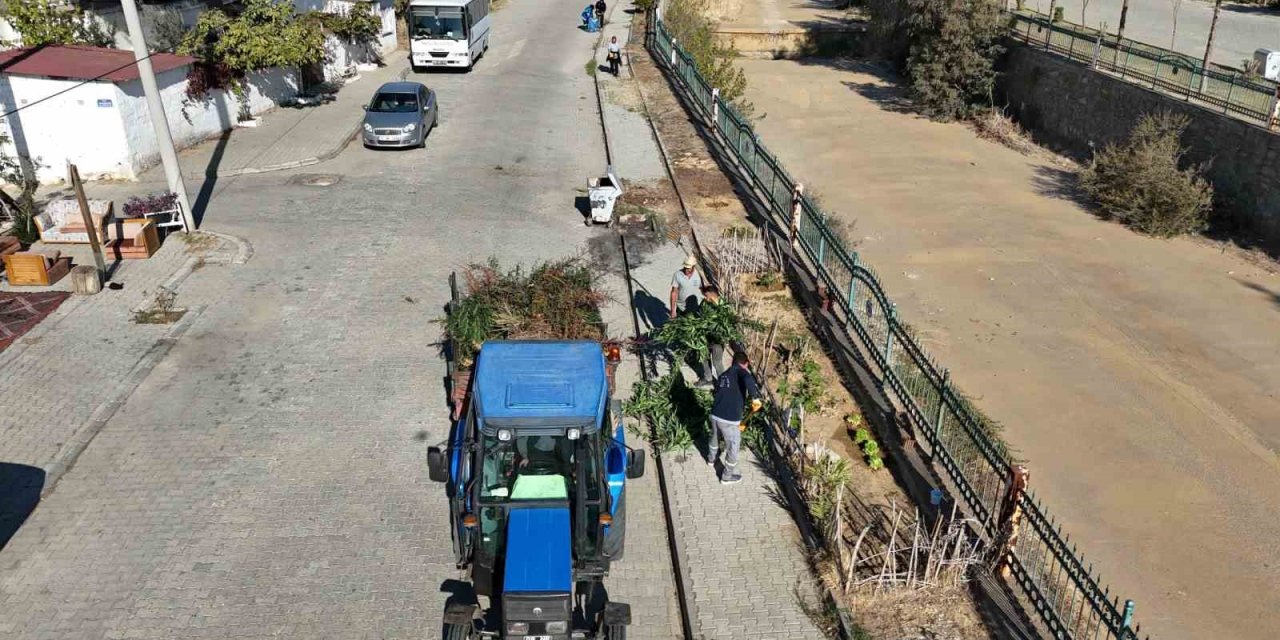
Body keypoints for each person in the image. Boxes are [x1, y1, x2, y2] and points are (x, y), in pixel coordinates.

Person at [707, 351, 762, 485]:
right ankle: (727, 476)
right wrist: (755, 398)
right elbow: (749, 380)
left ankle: (711, 460)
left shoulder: (724, 375)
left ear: (732, 362)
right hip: (730, 420)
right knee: (733, 446)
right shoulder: (742, 372)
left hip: (715, 415)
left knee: (714, 436)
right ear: (746, 364)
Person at [696, 284, 726, 386]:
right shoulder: (705, 303)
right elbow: (698, 314)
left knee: (717, 362)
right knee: (704, 358)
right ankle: (708, 378)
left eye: (707, 296)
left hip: (717, 339)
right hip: (705, 337)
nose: (706, 299)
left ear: (713, 294)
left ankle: (723, 384)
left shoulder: (723, 306)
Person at [669, 255, 703, 320]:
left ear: (694, 266)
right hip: (682, 307)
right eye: (685, 267)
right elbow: (674, 292)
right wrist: (673, 310)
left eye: (689, 268)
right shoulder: (677, 274)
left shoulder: (699, 274)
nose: (686, 270)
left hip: (697, 307)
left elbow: (704, 289)